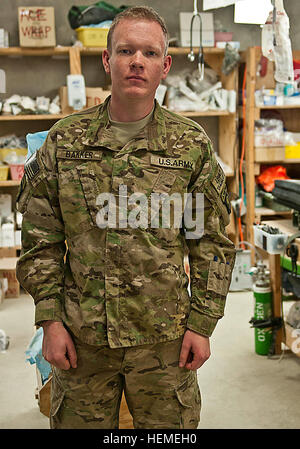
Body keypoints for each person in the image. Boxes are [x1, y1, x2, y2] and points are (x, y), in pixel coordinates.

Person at [16, 6, 236, 429]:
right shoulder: (65, 141)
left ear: (165, 65)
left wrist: (203, 324)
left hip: (164, 343)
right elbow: (40, 238)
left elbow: (210, 243)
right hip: (83, 341)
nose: (137, 61)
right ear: (107, 59)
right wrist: (50, 319)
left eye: (150, 53)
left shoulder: (190, 145)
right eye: (126, 50)